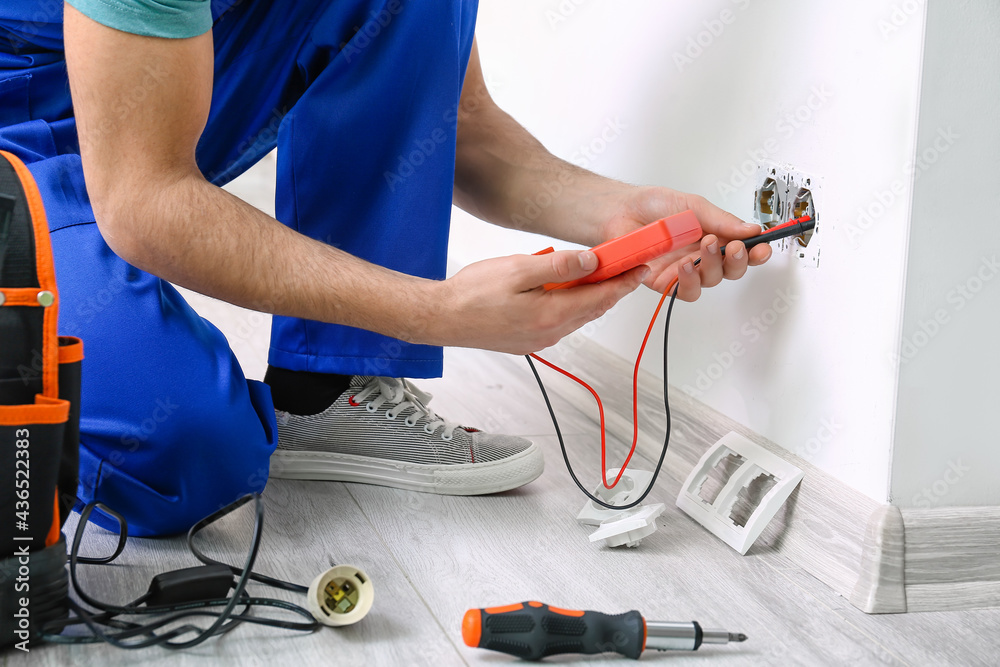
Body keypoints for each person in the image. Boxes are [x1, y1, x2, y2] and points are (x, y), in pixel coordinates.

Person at [0, 0, 771, 536]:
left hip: (132, 91)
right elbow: (143, 198)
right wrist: (439, 311)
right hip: (18, 134)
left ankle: (325, 389)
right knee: (188, 457)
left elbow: (462, 126)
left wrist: (618, 211)